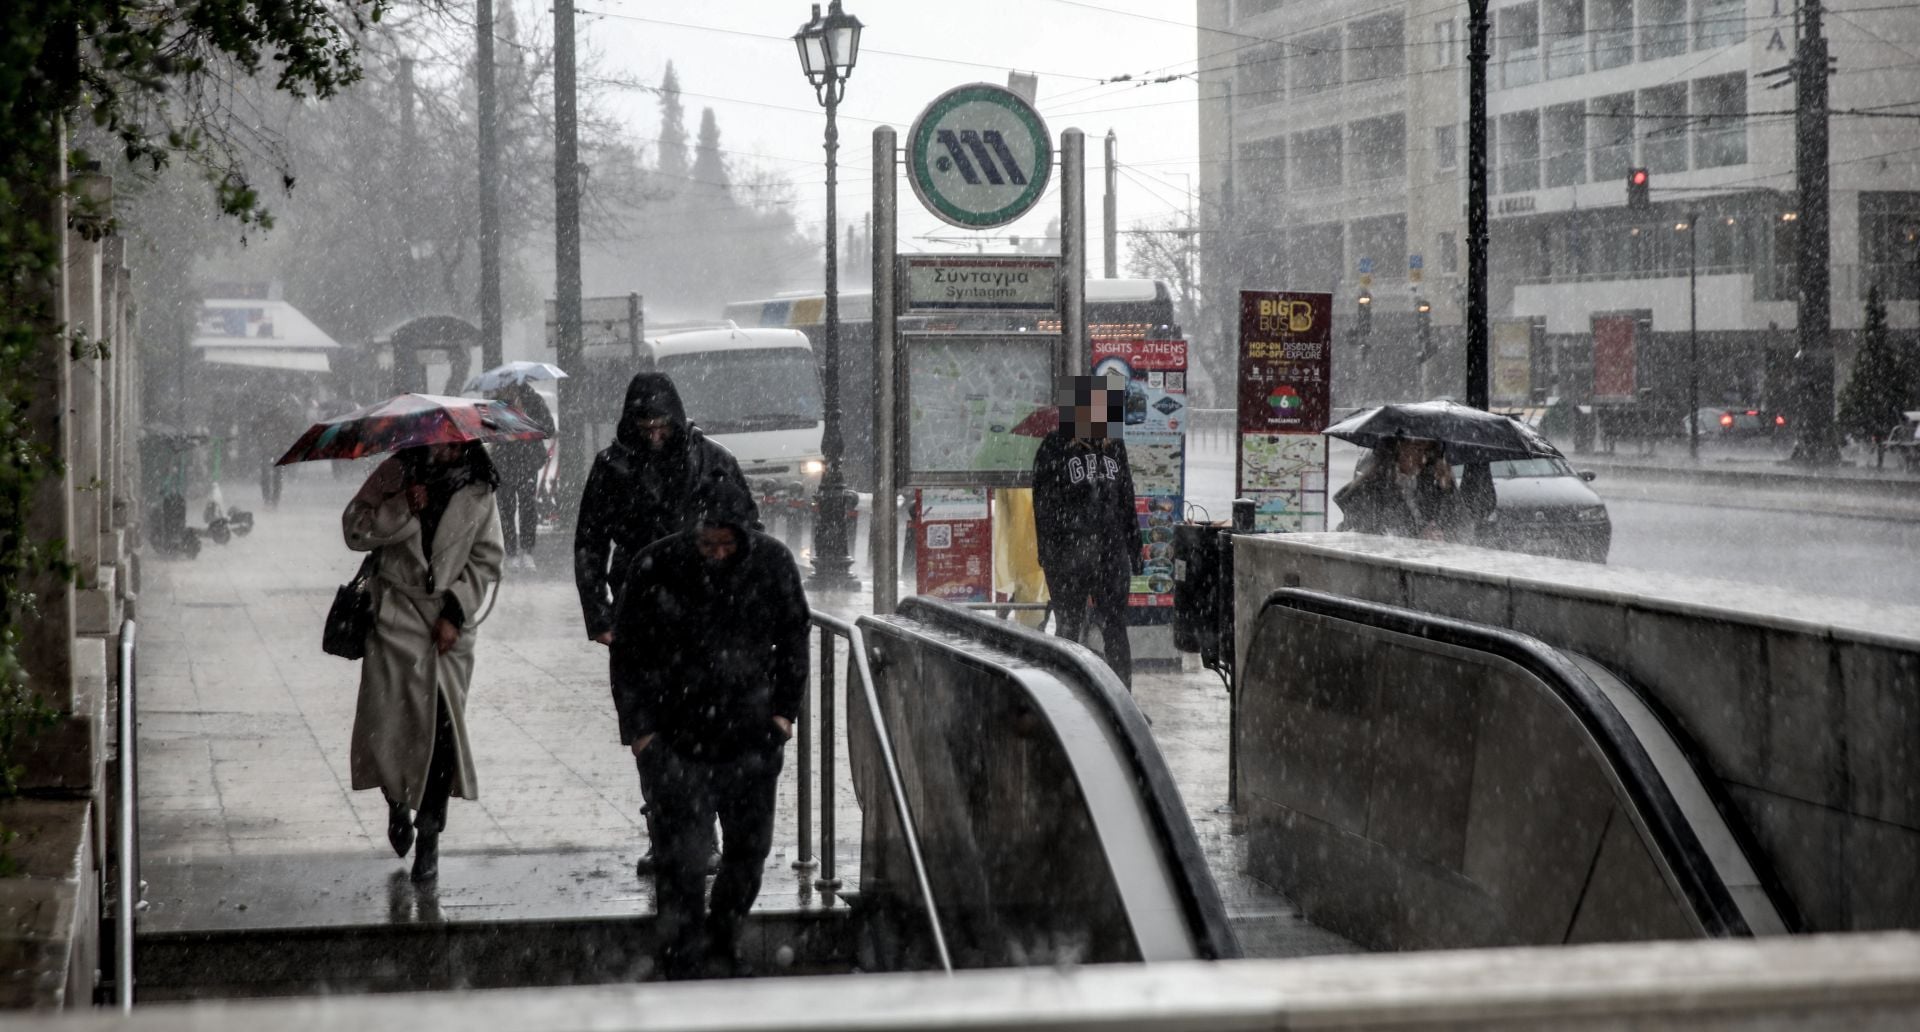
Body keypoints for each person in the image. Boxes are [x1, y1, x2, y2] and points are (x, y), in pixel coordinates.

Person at [610, 474, 808, 980]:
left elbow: (794, 637)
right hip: (676, 737)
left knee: (748, 852)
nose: (718, 553)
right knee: (682, 860)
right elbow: (628, 653)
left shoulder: (772, 562)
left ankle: (723, 944)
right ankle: (681, 958)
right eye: (708, 544)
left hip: (751, 734)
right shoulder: (656, 565)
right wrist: (642, 732)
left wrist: (783, 715)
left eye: (727, 544)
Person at [575, 372, 758, 876]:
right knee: (648, 733)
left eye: (661, 424)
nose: (655, 433)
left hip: (704, 616)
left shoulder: (712, 461)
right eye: (646, 425)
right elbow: (590, 541)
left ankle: (703, 834)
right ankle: (665, 833)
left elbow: (748, 533)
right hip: (639, 617)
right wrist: (599, 615)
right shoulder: (612, 467)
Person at [343, 441, 504, 883]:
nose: (447, 450)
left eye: (455, 442)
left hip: (447, 634)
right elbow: (354, 531)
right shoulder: (394, 473)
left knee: (442, 735)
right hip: (393, 618)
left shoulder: (480, 487)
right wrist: (400, 507)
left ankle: (430, 833)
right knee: (389, 730)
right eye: (439, 442)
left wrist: (455, 611)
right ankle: (397, 803)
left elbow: (487, 558)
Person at [1031, 375, 1142, 688]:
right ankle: (1065, 693)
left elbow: (1126, 498)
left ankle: (1121, 696)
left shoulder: (1114, 445)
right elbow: (1042, 505)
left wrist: (1134, 546)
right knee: (1069, 627)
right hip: (1068, 553)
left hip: (1109, 552)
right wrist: (1048, 552)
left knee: (1114, 627)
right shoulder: (1054, 446)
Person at [1335, 437, 1462, 541]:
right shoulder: (1371, 488)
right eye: (1417, 449)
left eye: (1427, 451)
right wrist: (1418, 539)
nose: (1423, 458)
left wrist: (1448, 489)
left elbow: (1461, 527)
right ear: (1398, 448)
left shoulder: (1429, 483)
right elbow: (1370, 541)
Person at [494, 383, 553, 571]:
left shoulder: (533, 401)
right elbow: (488, 431)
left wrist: (525, 421)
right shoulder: (496, 404)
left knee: (528, 506)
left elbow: (548, 429)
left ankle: (527, 551)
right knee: (506, 508)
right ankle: (510, 552)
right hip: (504, 462)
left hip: (527, 462)